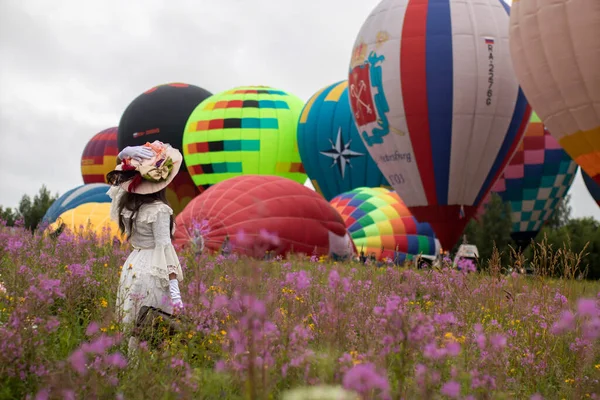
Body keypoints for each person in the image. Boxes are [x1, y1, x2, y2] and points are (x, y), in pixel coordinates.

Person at [105, 140, 184, 357]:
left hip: (133, 265)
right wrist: (175, 292)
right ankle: (148, 369)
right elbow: (165, 250)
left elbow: (118, 186)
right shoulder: (160, 210)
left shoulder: (126, 204)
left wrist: (124, 154)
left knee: (134, 319)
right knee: (155, 320)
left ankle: (131, 366)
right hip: (152, 269)